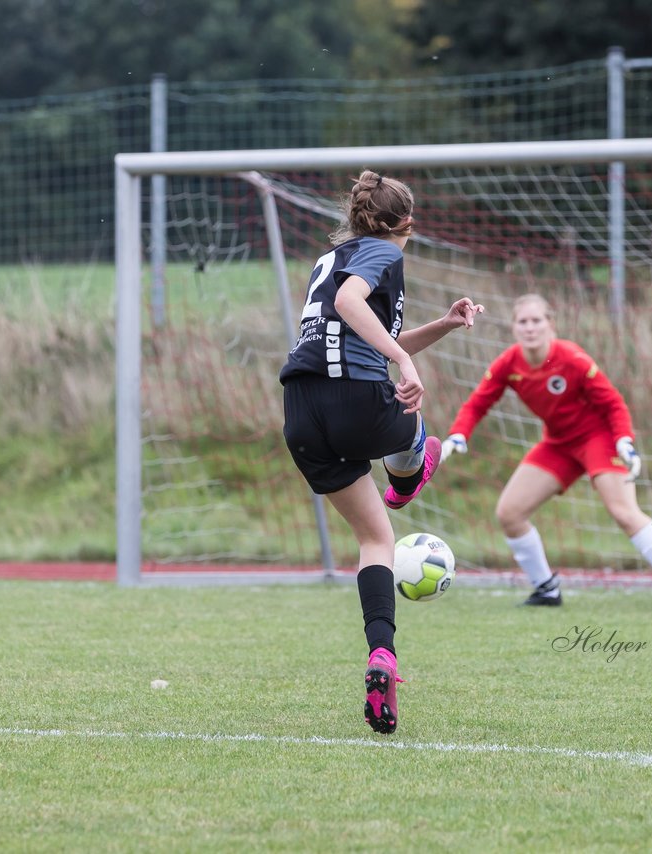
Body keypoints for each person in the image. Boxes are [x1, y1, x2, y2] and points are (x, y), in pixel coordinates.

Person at [280, 170, 484, 735]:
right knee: (417, 433)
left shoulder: (336, 257)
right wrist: (408, 364)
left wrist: (440, 327)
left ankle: (382, 658)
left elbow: (360, 327)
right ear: (405, 226)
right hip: (357, 404)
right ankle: (412, 465)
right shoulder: (379, 254)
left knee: (375, 540)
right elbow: (352, 306)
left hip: (301, 415)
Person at [440, 293, 652, 610]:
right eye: (523, 322)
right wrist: (457, 435)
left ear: (551, 324)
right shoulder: (508, 363)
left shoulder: (573, 358)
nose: (530, 327)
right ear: (514, 328)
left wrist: (624, 440)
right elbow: (478, 403)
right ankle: (546, 590)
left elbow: (613, 403)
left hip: (598, 440)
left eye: (537, 320)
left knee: (623, 511)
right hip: (558, 444)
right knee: (509, 513)